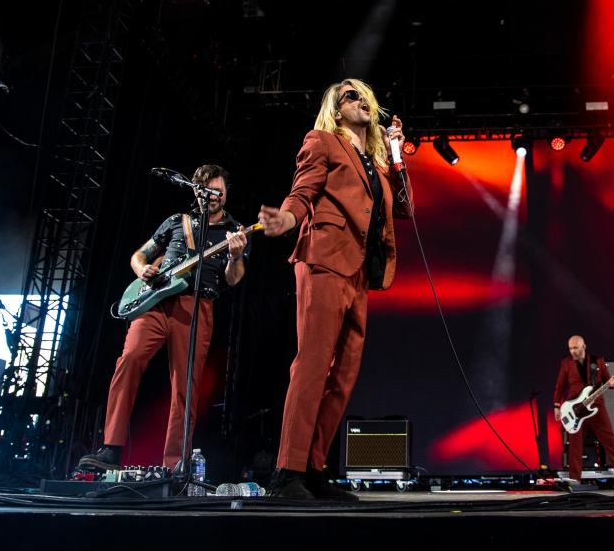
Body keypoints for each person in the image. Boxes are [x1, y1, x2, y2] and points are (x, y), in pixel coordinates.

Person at [259, 78, 413, 501]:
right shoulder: (323, 141)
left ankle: (312, 469)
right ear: (336, 108)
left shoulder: (378, 164)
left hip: (360, 273)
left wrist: (398, 156)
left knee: (343, 376)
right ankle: (286, 471)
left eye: (365, 94)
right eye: (350, 95)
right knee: (311, 364)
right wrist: (287, 220)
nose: (361, 99)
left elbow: (405, 208)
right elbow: (302, 192)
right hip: (324, 260)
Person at [79, 164, 249, 472]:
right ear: (196, 191)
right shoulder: (176, 222)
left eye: (218, 192)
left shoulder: (233, 230)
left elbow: (234, 279)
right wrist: (141, 269)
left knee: (185, 384)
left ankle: (174, 464)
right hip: (155, 302)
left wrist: (236, 254)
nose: (212, 197)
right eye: (206, 192)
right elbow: (138, 256)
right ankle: (111, 447)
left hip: (196, 306)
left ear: (226, 193)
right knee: (129, 359)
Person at [553, 335, 614, 488]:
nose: (572, 351)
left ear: (584, 346)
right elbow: (560, 386)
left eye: (575, 348)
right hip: (575, 409)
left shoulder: (598, 361)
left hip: (596, 408)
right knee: (575, 446)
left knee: (610, 442)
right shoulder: (566, 363)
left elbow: (609, 381)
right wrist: (557, 406)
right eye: (570, 348)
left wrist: (613, 383)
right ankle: (575, 479)